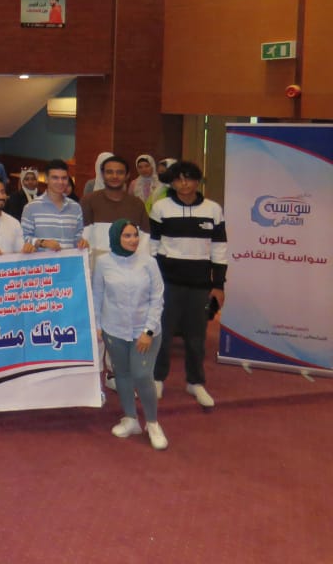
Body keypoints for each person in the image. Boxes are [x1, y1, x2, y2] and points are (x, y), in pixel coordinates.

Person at [150, 161, 227, 408]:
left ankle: (195, 382)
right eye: (178, 179)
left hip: (199, 285)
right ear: (172, 183)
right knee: (162, 334)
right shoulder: (161, 208)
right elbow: (152, 247)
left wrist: (218, 285)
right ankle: (157, 378)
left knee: (196, 337)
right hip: (167, 284)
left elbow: (219, 249)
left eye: (189, 178)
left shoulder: (213, 209)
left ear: (197, 181)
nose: (184, 183)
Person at [92, 219, 167, 450]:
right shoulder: (103, 263)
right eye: (127, 236)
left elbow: (157, 298)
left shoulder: (149, 263)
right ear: (116, 238)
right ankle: (131, 419)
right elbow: (97, 295)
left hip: (145, 332)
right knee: (122, 374)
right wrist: (97, 325)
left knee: (142, 375)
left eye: (135, 235)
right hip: (114, 330)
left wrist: (148, 331)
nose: (133, 240)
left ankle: (152, 424)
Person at [82, 154, 150, 267]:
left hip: (130, 264)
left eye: (120, 172)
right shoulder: (88, 201)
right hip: (96, 265)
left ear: (127, 175)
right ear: (102, 174)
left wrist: (140, 266)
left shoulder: (137, 204)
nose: (114, 176)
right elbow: (83, 237)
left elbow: (144, 240)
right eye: (109, 172)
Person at [20, 159, 89, 253]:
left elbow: (78, 237)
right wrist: (42, 242)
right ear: (46, 179)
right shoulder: (31, 208)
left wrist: (82, 243)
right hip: (44, 261)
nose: (60, 182)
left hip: (69, 260)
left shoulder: (75, 207)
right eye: (55, 178)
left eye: (64, 178)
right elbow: (23, 238)